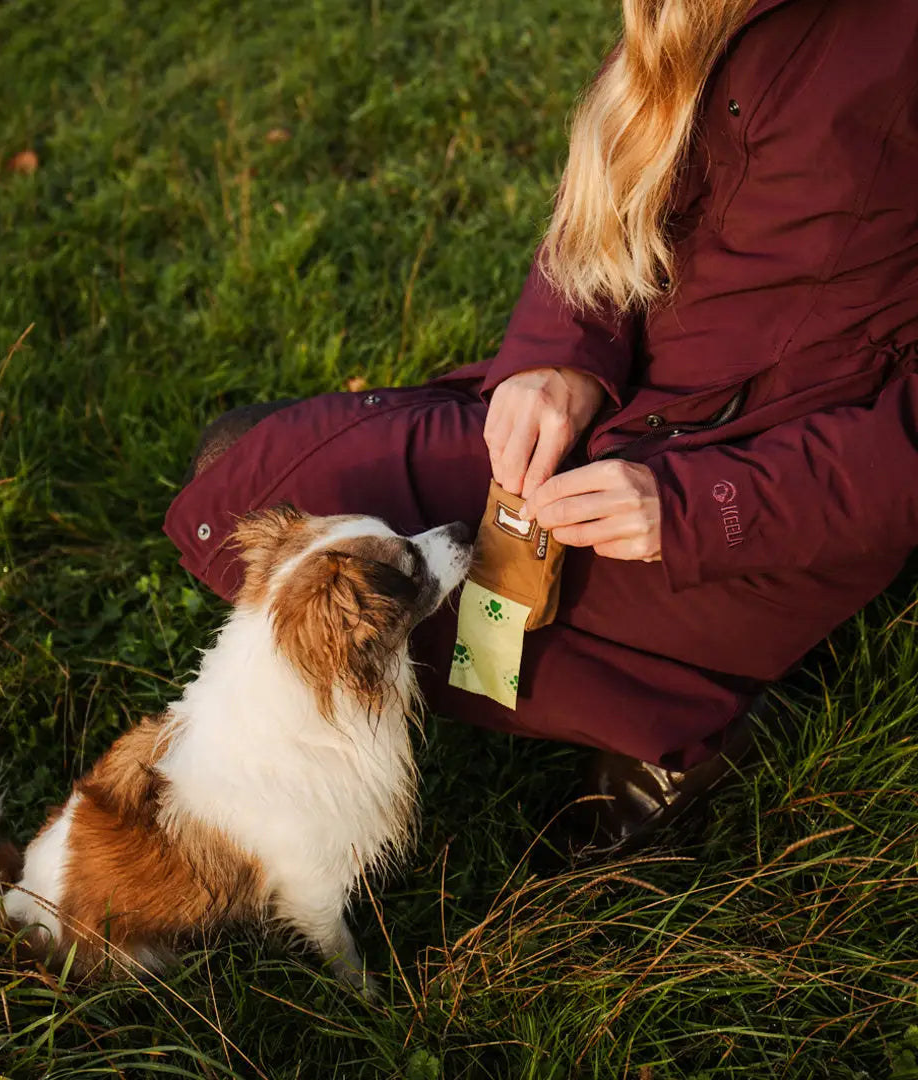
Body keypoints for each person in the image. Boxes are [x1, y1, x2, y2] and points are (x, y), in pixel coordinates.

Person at [164, 0, 918, 852]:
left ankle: (690, 712)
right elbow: (611, 199)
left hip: (768, 502)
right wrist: (557, 356)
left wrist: (698, 508)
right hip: (620, 421)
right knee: (240, 475)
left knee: (345, 591)